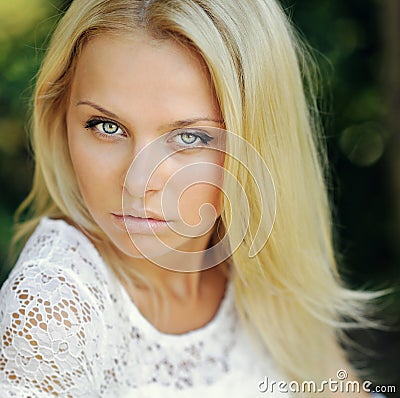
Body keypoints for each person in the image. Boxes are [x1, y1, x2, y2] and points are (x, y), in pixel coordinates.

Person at [0, 0, 384, 397]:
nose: (137, 183)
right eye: (107, 126)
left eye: (189, 138)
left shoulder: (261, 268)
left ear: (259, 144)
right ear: (60, 121)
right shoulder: (54, 308)